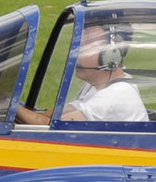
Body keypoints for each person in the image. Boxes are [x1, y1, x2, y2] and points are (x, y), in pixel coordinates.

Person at [16, 23, 146, 124]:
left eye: (87, 47)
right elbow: (54, 115)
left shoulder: (115, 96)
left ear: (112, 54)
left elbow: (51, 126)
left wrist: (4, 104)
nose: (76, 55)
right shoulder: (98, 86)